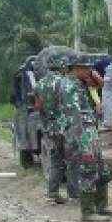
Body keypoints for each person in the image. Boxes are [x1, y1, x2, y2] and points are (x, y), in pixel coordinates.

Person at [61, 53, 112, 222]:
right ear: (75, 68)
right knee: (87, 169)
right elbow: (74, 116)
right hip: (81, 133)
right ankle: (87, 212)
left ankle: (103, 206)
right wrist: (84, 142)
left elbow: (102, 85)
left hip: (90, 129)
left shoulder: (80, 83)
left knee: (101, 167)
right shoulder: (68, 86)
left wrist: (93, 78)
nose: (90, 70)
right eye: (86, 67)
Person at [34, 48, 78, 204]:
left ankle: (52, 194)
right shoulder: (65, 82)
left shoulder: (39, 84)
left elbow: (38, 106)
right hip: (65, 126)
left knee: (56, 161)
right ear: (61, 66)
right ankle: (74, 196)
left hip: (50, 127)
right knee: (72, 161)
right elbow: (71, 106)